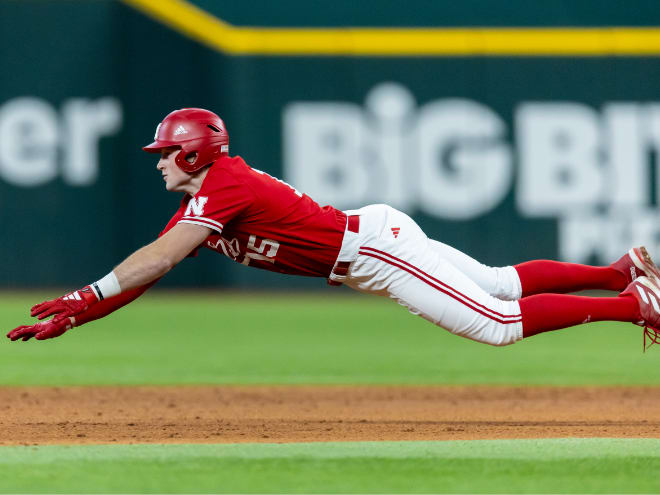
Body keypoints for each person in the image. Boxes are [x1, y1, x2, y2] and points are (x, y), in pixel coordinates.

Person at [7, 108, 660, 350]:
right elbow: (148, 272)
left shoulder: (224, 184)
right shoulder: (208, 196)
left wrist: (85, 294)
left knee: (495, 323)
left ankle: (637, 304)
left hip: (371, 250)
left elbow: (158, 258)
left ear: (195, 153)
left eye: (165, 154)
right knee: (496, 283)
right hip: (370, 239)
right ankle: (620, 270)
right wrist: (81, 313)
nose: (159, 164)